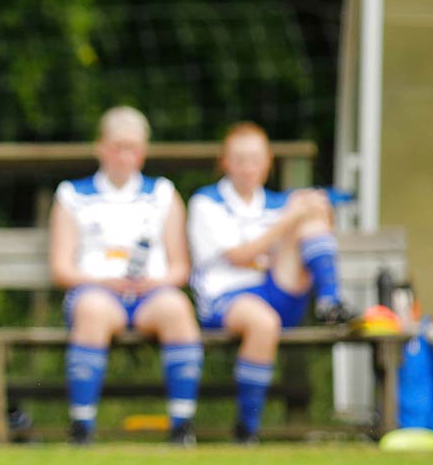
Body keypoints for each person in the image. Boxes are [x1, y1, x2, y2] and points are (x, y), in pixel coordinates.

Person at [186, 121, 353, 443]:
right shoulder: (206, 203)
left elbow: (314, 230)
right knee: (263, 322)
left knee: (313, 217)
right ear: (225, 162)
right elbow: (239, 256)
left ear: (267, 162)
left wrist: (315, 207)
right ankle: (247, 429)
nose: (248, 168)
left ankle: (330, 301)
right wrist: (289, 218)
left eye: (255, 159)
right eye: (240, 159)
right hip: (226, 298)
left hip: (276, 291)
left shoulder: (277, 203)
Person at [48, 107, 205, 446]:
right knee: (92, 311)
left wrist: (155, 282)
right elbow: (61, 268)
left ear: (144, 151)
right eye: (117, 146)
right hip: (96, 292)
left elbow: (180, 268)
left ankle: (182, 427)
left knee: (178, 309)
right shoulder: (72, 195)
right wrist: (102, 282)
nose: (125, 155)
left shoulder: (163, 193)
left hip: (150, 294)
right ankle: (82, 428)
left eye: (133, 147)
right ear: (100, 148)